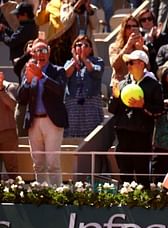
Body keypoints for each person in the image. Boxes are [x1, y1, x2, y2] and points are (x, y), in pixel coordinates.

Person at [108, 50, 163, 185]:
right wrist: (115, 97)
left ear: (141, 64)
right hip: (123, 132)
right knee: (124, 170)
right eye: (127, 63)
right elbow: (112, 110)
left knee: (141, 170)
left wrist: (143, 105)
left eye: (131, 62)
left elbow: (159, 110)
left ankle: (143, 202)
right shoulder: (122, 84)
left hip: (142, 134)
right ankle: (127, 200)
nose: (128, 65)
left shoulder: (153, 85)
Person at [18, 38, 68, 186]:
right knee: (38, 164)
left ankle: (57, 194)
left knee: (53, 163)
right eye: (37, 51)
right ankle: (42, 194)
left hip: (52, 121)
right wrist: (27, 82)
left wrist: (42, 77)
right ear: (32, 53)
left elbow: (60, 91)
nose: (41, 54)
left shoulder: (58, 71)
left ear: (49, 52)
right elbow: (21, 99)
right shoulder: (28, 71)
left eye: (44, 50)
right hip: (34, 122)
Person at [63, 35, 104, 138]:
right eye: (79, 45)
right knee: (72, 133)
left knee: (92, 134)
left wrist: (84, 59)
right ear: (74, 48)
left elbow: (96, 72)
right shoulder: (69, 63)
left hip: (91, 103)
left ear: (90, 49)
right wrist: (75, 61)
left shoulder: (97, 61)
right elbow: (65, 75)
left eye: (86, 45)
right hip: (73, 104)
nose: (82, 47)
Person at [108, 16, 147, 87]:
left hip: (138, 85)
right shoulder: (114, 47)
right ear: (124, 29)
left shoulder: (143, 48)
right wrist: (128, 46)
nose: (132, 29)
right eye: (128, 27)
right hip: (119, 84)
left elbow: (147, 68)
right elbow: (115, 65)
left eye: (134, 26)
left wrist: (140, 50)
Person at [0, 72, 19, 179]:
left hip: (7, 134)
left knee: (12, 170)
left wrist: (1, 90)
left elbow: (14, 106)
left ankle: (15, 194)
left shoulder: (10, 86)